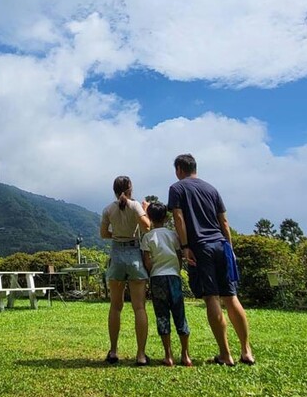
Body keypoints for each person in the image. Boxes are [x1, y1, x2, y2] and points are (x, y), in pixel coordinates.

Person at [167, 154, 255, 366]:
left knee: (212, 298)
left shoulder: (177, 188)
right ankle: (246, 351)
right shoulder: (212, 189)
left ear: (179, 169)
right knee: (231, 297)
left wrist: (185, 246)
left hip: (201, 248)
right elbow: (224, 222)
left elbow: (178, 217)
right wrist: (229, 248)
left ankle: (225, 354)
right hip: (221, 245)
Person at [100, 175, 151, 365]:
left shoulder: (108, 209)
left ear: (114, 190)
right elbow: (147, 227)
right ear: (130, 189)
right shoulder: (135, 205)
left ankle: (113, 351)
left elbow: (103, 234)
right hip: (133, 252)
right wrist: (145, 210)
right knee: (139, 307)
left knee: (115, 306)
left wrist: (117, 235)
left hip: (117, 254)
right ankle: (141, 355)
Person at [141, 202, 192, 367]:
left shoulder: (147, 237)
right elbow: (179, 256)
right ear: (166, 217)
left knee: (162, 315)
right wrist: (176, 269)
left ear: (149, 217)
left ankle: (168, 355)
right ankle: (185, 355)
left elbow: (147, 261)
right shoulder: (173, 235)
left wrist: (152, 271)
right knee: (179, 313)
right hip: (174, 277)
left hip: (157, 278)